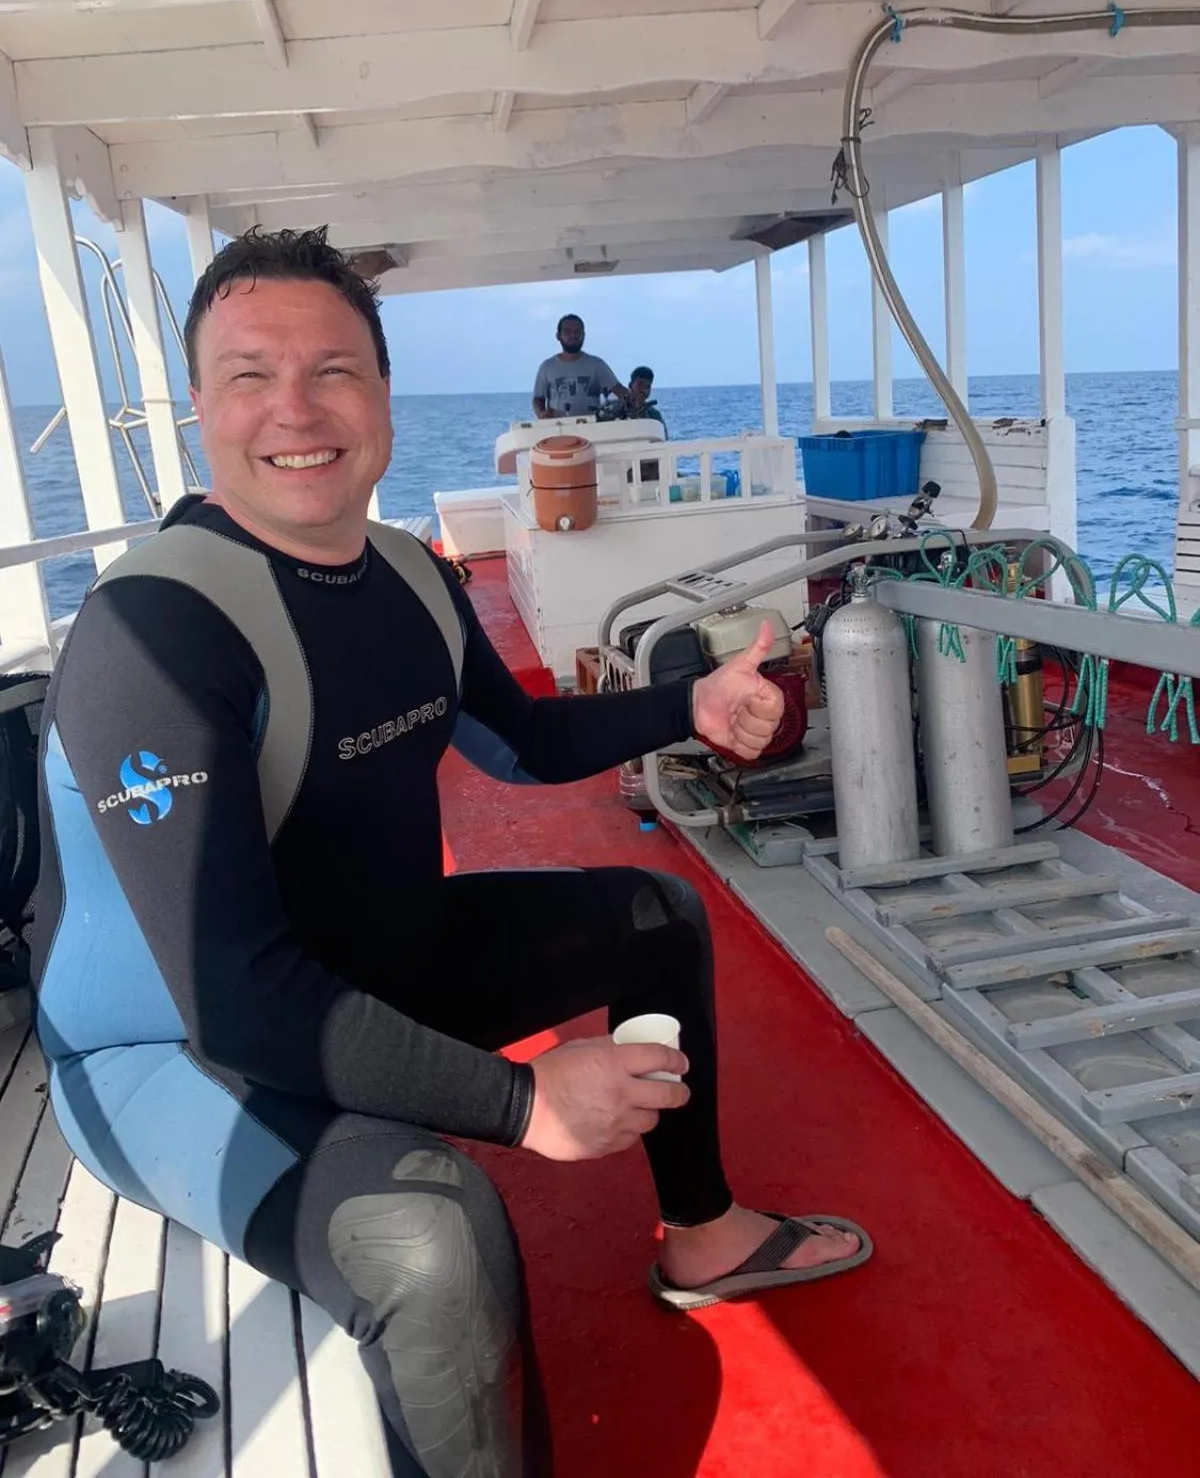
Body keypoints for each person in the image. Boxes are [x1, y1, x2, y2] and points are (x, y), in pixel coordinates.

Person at [31, 228, 871, 1478]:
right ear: (200, 407)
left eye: (336, 371)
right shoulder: (149, 636)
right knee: (434, 1237)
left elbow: (523, 743)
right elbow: (236, 1001)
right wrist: (526, 1102)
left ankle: (701, 1232)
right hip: (172, 1050)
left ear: (383, 394)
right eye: (251, 375)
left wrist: (681, 708)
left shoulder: (412, 577)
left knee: (654, 915)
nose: (297, 410)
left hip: (371, 961)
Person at [531, 314, 626, 419]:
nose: (573, 335)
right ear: (558, 336)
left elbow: (619, 390)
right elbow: (538, 399)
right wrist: (542, 414)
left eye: (577, 332)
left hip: (593, 428)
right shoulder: (546, 367)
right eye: (567, 332)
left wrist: (635, 401)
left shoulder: (597, 365)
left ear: (583, 335)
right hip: (558, 428)